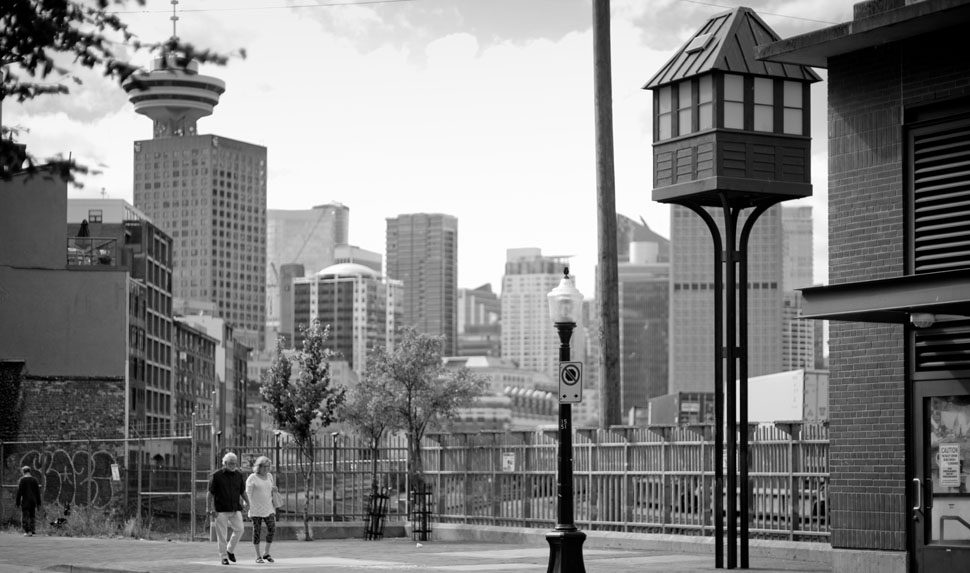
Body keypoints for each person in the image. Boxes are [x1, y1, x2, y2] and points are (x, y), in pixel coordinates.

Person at [207, 452, 250, 565]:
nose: (233, 465)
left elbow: (242, 491)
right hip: (220, 509)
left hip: (235, 508)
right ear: (225, 463)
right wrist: (210, 508)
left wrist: (248, 502)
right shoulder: (216, 475)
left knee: (240, 529)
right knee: (222, 534)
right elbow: (210, 493)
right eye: (231, 463)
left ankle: (229, 550)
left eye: (235, 463)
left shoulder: (238, 475)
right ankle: (224, 557)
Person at [245, 456, 277, 564]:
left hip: (268, 507)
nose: (266, 469)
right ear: (259, 467)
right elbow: (248, 493)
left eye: (268, 466)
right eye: (264, 466)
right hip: (256, 508)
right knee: (257, 532)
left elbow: (270, 489)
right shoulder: (252, 477)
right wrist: (247, 504)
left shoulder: (269, 476)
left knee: (272, 529)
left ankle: (266, 553)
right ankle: (258, 555)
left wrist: (274, 489)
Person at [15, 466, 41, 536]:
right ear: (29, 471)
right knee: (32, 515)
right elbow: (38, 492)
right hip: (33, 501)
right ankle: (33, 530)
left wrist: (17, 502)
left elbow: (19, 492)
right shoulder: (34, 480)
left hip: (25, 500)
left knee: (25, 516)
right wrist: (39, 503)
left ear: (23, 472)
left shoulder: (22, 480)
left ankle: (27, 531)